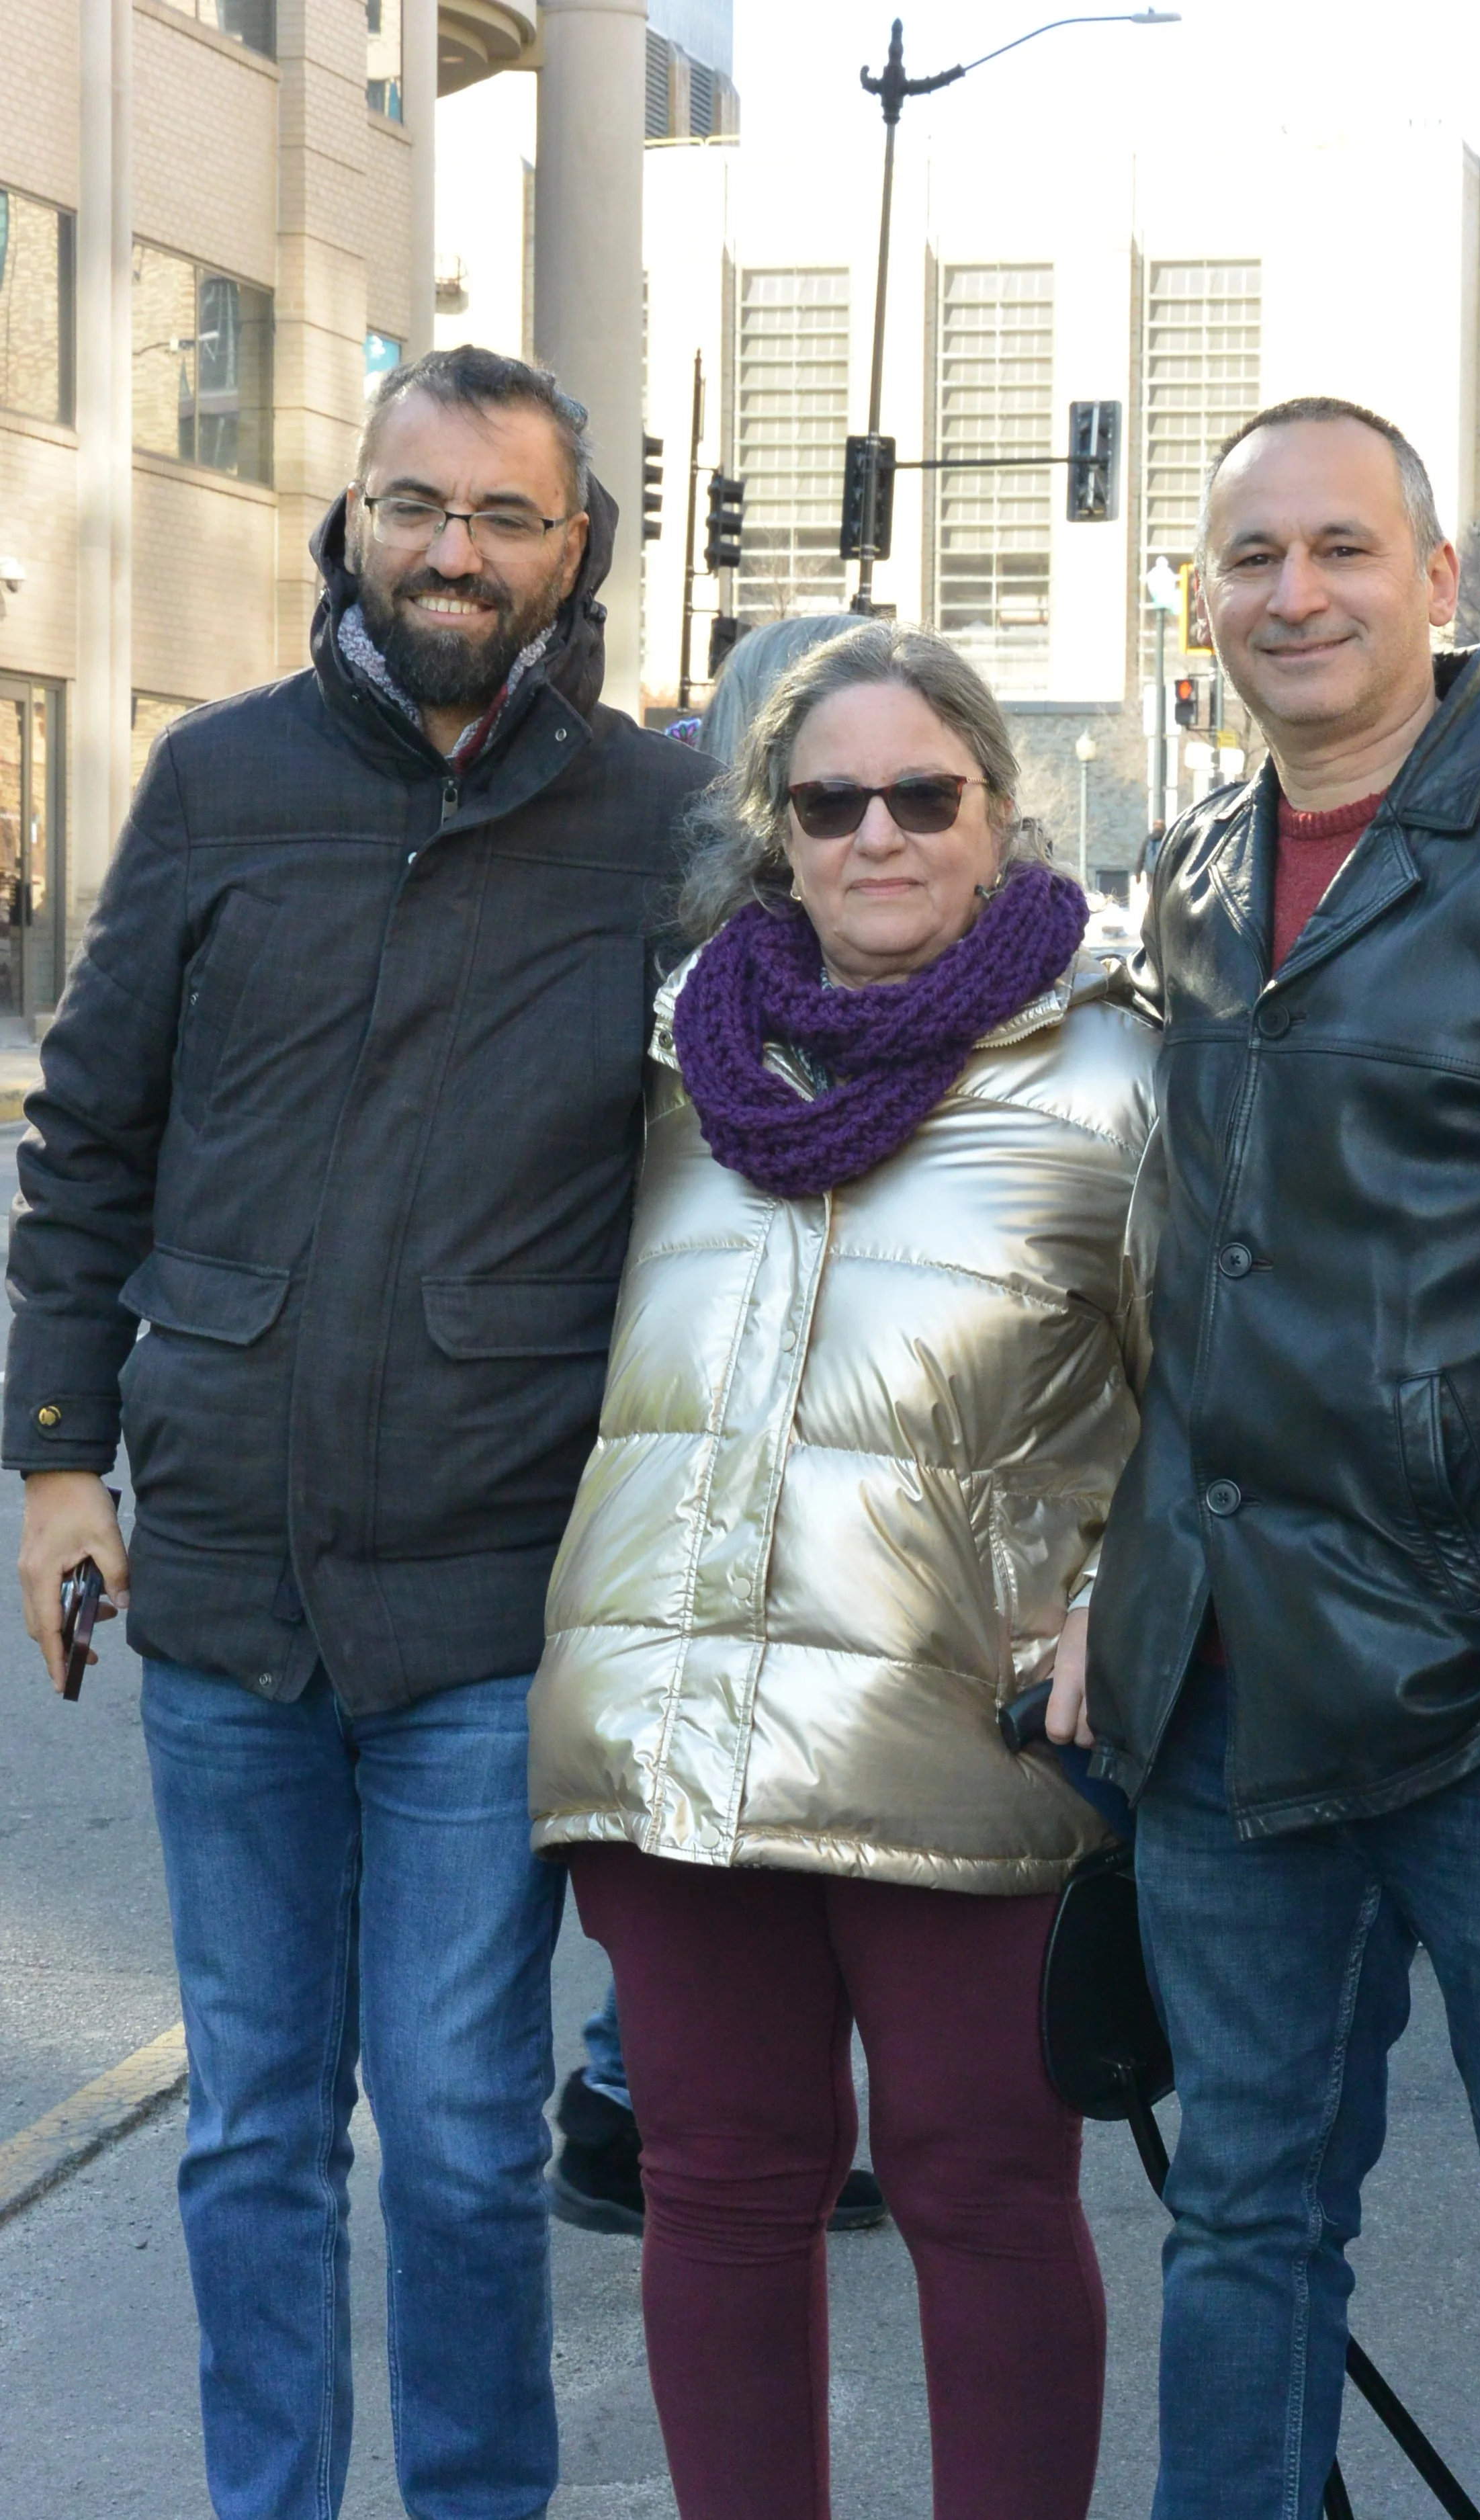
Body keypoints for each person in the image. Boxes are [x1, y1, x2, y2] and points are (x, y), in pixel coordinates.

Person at [7, 345, 713, 2520]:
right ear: (352, 519)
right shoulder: (218, 786)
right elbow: (93, 1136)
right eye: (419, 504)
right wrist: (54, 1462)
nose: (455, 550)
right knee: (249, 2130)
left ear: (573, 549)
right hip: (221, 1583)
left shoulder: (661, 821)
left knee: (473, 2143)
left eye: (506, 516)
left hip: (489, 1610)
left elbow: (775, 1105)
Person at [1060, 395, 1480, 2520]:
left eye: (1339, 548)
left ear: (1432, 580)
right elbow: (1185, 1284)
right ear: (1203, 596)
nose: (1290, 592)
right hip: (1232, 1693)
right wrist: (1119, 1607)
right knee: (1240, 2212)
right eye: (1249, 556)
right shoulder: (1199, 865)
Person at [527, 620, 1156, 2520]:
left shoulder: (1120, 1073)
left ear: (993, 815)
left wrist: (1118, 1603)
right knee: (718, 2187)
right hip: (676, 1745)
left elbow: (1213, 1398)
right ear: (776, 831)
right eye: (829, 800)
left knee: (983, 2193)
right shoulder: (673, 1064)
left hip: (956, 1742)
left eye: (918, 794)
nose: (875, 832)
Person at [554, 609, 886, 2243]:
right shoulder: (673, 984)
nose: (866, 819)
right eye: (823, 785)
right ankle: (626, 2098)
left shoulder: (1026, 1022)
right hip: (672, 1536)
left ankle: (650, 2095)